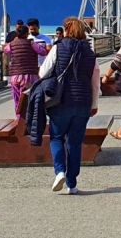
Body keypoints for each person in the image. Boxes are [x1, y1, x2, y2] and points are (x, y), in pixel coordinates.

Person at [38, 17, 100, 195]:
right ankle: (72, 184)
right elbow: (95, 82)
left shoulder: (58, 48)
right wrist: (94, 104)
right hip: (83, 102)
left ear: (66, 30)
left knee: (57, 137)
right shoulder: (90, 53)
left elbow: (43, 72)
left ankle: (60, 172)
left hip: (61, 101)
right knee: (75, 142)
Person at [3, 24, 41, 116]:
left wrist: (13, 42)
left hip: (15, 76)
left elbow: (5, 50)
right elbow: (42, 52)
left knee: (17, 99)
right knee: (28, 99)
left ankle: (18, 117)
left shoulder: (12, 44)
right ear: (26, 34)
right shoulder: (31, 44)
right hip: (29, 76)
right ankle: (28, 118)